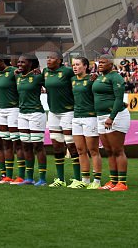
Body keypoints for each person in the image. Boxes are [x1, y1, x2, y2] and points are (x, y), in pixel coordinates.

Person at [93, 54, 129, 191]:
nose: (100, 64)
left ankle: (122, 183)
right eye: (99, 62)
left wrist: (111, 117)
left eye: (103, 62)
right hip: (101, 116)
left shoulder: (116, 77)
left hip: (115, 116)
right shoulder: (100, 77)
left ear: (111, 64)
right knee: (109, 150)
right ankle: (113, 181)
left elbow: (119, 99)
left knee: (118, 150)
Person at [42, 51, 76, 186]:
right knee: (56, 146)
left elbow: (81, 79)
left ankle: (78, 178)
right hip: (53, 113)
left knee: (71, 145)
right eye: (47, 57)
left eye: (51, 58)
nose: (48, 60)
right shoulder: (45, 72)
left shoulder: (67, 72)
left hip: (68, 112)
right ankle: (60, 179)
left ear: (60, 60)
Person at [69, 56, 102, 189]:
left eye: (77, 64)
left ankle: (97, 181)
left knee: (93, 150)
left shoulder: (92, 80)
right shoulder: (72, 80)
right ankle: (85, 180)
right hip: (76, 117)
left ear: (86, 66)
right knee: (80, 150)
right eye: (73, 65)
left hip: (90, 117)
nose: (75, 67)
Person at [16, 55, 46, 185]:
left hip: (36, 114)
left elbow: (50, 87)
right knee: (25, 146)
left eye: (23, 62)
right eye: (18, 62)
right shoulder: (18, 77)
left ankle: (43, 178)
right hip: (22, 114)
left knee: (38, 146)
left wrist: (42, 75)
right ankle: (29, 178)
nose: (19, 64)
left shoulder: (38, 77)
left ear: (31, 63)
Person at [0, 54, 20, 183]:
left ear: (2, 61)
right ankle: (8, 175)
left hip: (14, 109)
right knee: (6, 143)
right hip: (1, 110)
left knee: (17, 143)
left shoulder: (13, 71)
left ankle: (21, 175)